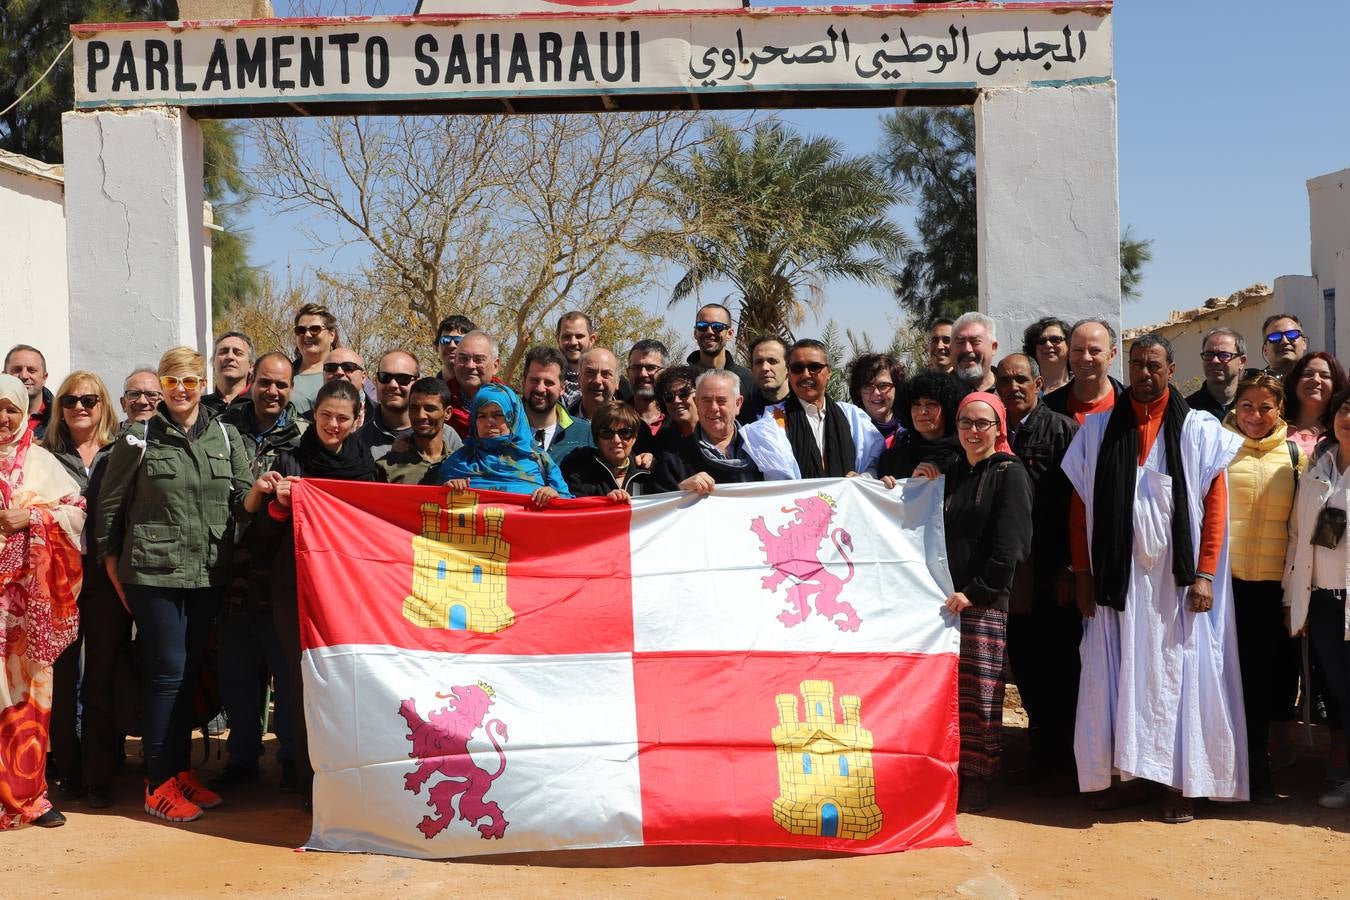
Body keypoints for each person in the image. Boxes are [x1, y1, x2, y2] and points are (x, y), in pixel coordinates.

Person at [1063, 333, 1246, 823]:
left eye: (1155, 365)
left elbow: (1215, 505)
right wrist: (1083, 573)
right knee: (1121, 676)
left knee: (1178, 678)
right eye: (1137, 364)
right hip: (1117, 583)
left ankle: (1182, 784)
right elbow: (1080, 506)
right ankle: (1130, 776)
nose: (1144, 373)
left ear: (1171, 369)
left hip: (1177, 585)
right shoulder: (1098, 429)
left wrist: (1205, 572)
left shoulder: (1200, 430)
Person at [95, 347, 259, 824]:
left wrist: (264, 490)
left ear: (202, 382)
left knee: (188, 672)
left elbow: (241, 498)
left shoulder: (225, 436)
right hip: (152, 573)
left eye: (190, 381)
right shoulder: (137, 437)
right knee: (166, 671)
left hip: (207, 570)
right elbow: (109, 506)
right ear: (162, 387)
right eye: (173, 382)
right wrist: (109, 560)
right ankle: (157, 783)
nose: (182, 390)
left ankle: (179, 773)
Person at [249, 379, 377, 807]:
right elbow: (261, 536)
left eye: (343, 418)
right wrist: (278, 505)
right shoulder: (291, 461)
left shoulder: (370, 472)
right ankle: (304, 777)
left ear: (357, 420)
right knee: (299, 682)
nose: (333, 425)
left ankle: (349, 776)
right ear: (313, 415)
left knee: (347, 681)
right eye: (325, 416)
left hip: (350, 594)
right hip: (297, 590)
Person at [914, 392, 1033, 812]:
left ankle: (981, 777)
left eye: (983, 423)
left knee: (981, 695)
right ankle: (950, 772)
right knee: (946, 693)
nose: (973, 431)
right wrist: (917, 482)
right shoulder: (950, 472)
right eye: (966, 422)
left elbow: (1011, 545)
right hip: (946, 603)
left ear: (999, 428)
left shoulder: (1008, 473)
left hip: (981, 602)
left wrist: (978, 591)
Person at [214, 352, 308, 791]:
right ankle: (242, 755)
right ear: (251, 382)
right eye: (266, 383)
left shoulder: (303, 438)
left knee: (288, 675)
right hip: (232, 571)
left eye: (282, 385)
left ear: (291, 389)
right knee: (237, 672)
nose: (273, 392)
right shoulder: (223, 432)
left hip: (284, 575)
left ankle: (290, 755)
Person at [0, 374, 86, 829]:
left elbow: (76, 513)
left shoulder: (42, 462)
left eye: (11, 408)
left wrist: (31, 516)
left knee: (28, 699)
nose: (3, 417)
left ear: (24, 411)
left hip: (28, 610)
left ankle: (29, 796)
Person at [994, 354, 1080, 784]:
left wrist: (1069, 566)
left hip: (1052, 573)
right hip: (1012, 575)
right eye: (1005, 380)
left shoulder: (1063, 429)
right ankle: (1039, 753)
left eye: (1021, 380)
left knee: (1059, 668)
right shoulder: (990, 430)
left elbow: (1078, 504)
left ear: (1039, 383)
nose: (1013, 387)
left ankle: (1062, 762)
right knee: (1024, 665)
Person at [44, 372, 124, 810]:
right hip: (59, 577)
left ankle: (99, 777)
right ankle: (69, 774)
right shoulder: (45, 455)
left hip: (105, 577)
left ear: (102, 404)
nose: (80, 407)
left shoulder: (122, 452)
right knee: (62, 675)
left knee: (101, 678)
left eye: (89, 399)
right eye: (71, 399)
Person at [1224, 374, 1304, 804]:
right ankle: (1220, 775)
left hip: (1272, 590)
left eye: (1266, 407)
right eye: (1247, 406)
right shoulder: (1217, 448)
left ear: (1280, 411)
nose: (1256, 416)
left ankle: (1257, 775)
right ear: (1236, 407)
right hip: (1224, 590)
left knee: (1262, 687)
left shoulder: (1294, 455)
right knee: (1222, 684)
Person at [1284, 385, 1350, 809]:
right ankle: (1343, 776)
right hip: (1325, 601)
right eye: (1346, 408)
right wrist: (1297, 601)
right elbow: (1297, 536)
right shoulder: (1317, 465)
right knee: (1341, 692)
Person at [741, 340, 884, 480]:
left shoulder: (852, 416)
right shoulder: (770, 423)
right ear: (789, 373)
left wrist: (862, 478)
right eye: (797, 368)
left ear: (828, 372)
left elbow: (874, 466)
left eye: (814, 367)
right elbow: (779, 482)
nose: (806, 374)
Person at [438, 383, 571, 506]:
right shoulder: (457, 462)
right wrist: (447, 491)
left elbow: (568, 510)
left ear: (513, 417)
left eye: (497, 415)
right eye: (482, 416)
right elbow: (432, 509)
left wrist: (554, 496)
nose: (489, 422)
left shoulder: (539, 459)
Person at [652, 369, 762, 493]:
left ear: (738, 404)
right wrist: (681, 491)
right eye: (706, 400)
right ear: (697, 404)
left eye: (721, 401)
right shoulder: (673, 459)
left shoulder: (763, 448)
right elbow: (659, 506)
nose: (714, 408)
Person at [876, 372, 971, 479]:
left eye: (931, 404)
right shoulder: (891, 460)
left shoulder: (967, 456)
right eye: (916, 404)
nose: (922, 411)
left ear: (948, 409)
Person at [561, 401, 655, 501]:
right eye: (607, 433)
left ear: (634, 438)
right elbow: (578, 512)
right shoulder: (578, 474)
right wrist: (605, 503)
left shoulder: (648, 473)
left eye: (625, 432)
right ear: (596, 439)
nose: (616, 440)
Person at [377, 377, 464, 484]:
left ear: (448, 413)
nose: (420, 416)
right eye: (414, 408)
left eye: (430, 409)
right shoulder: (386, 467)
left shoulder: (461, 467)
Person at [519, 346, 592, 464]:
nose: (540, 388)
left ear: (562, 388)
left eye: (549, 382)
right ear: (523, 382)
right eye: (534, 380)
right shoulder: (505, 429)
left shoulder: (584, 433)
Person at [1044, 318, 1124, 422]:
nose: (1085, 358)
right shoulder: (1048, 409)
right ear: (1069, 353)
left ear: (1112, 355)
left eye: (1095, 350)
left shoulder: (1132, 405)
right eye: (1078, 350)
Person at [1283, 352, 1348, 458]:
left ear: (1335, 385)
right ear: (1295, 382)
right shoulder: (1273, 425)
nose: (1316, 380)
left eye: (1325, 376)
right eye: (1307, 374)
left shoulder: (1343, 431)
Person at [685, 303, 755, 402]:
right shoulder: (683, 382)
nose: (709, 332)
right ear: (695, 333)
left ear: (729, 334)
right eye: (702, 326)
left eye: (717, 327)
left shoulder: (747, 380)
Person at [359, 350, 420, 460]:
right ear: (376, 381)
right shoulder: (358, 441)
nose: (393, 385)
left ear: (417, 383)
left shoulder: (445, 436)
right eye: (385, 377)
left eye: (403, 378)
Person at [447, 331, 505, 439]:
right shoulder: (441, 400)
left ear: (495, 366)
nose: (470, 366)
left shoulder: (510, 403)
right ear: (454, 362)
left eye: (479, 359)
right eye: (463, 358)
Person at [1186, 327, 1250, 421]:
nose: (1215, 360)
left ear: (1242, 361)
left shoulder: (1254, 405)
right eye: (1209, 354)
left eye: (1224, 355)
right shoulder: (1189, 410)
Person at [639, 365, 700, 458]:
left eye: (684, 393)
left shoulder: (715, 432)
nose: (676, 400)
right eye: (669, 396)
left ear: (699, 394)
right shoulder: (662, 441)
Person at [289, 303, 339, 415]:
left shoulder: (349, 372)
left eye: (315, 329)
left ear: (332, 334)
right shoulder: (284, 375)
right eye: (301, 330)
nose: (307, 335)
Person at [848, 353, 905, 449]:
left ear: (897, 388)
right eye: (868, 386)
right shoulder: (849, 432)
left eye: (883, 386)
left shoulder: (912, 432)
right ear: (858, 391)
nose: (876, 393)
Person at [4, 344, 52, 439]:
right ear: (4, 376)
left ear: (44, 378)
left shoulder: (62, 420)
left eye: (32, 370)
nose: (24, 376)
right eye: (17, 370)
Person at [202, 332, 255, 417]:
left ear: (251, 366)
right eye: (223, 352)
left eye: (238, 353)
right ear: (213, 363)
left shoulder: (260, 405)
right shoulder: (198, 408)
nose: (230, 356)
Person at [322, 346, 378, 425]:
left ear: (363, 377)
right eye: (331, 367)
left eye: (348, 367)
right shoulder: (309, 419)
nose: (339, 372)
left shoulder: (383, 417)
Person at [742, 335, 791, 425]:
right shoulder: (742, 414)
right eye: (758, 362)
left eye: (772, 361)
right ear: (752, 369)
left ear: (788, 367)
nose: (765, 368)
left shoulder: (807, 408)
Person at [556, 311, 597, 411]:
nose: (573, 342)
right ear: (558, 339)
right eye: (567, 336)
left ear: (592, 339)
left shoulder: (610, 381)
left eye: (579, 336)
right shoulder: (547, 380)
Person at [625, 340, 667, 437]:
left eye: (651, 367)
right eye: (636, 367)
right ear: (628, 373)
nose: (643, 374)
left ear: (665, 373)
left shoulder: (678, 419)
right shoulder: (615, 419)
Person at [567, 347, 620, 422]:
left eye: (606, 374)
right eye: (590, 373)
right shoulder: (559, 424)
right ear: (579, 379)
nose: (597, 381)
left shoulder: (630, 424)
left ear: (617, 382)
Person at [951, 312, 998, 392]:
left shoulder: (1008, 390)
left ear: (993, 348)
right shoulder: (938, 395)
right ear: (950, 349)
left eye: (975, 342)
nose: (967, 349)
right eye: (960, 342)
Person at [1022, 317, 1072, 394]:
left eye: (1055, 339)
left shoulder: (1080, 386)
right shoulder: (1025, 389)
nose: (1048, 345)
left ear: (1069, 344)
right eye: (1041, 341)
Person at [1260, 313, 1308, 380]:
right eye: (1275, 337)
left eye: (1292, 334)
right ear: (1265, 350)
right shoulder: (1254, 387)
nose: (1284, 341)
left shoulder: (1318, 382)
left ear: (1304, 343)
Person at [434, 314, 477, 385]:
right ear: (436, 347)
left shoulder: (485, 391)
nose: (451, 345)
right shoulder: (427, 392)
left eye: (458, 341)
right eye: (445, 340)